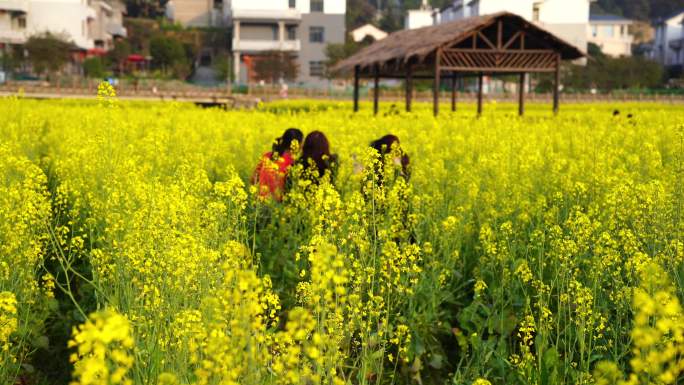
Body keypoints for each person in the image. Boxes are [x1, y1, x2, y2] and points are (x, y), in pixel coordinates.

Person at [252, 128, 303, 201]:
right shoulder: (292, 162)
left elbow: (253, 179)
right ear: (298, 144)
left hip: (260, 202)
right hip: (279, 204)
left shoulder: (267, 156)